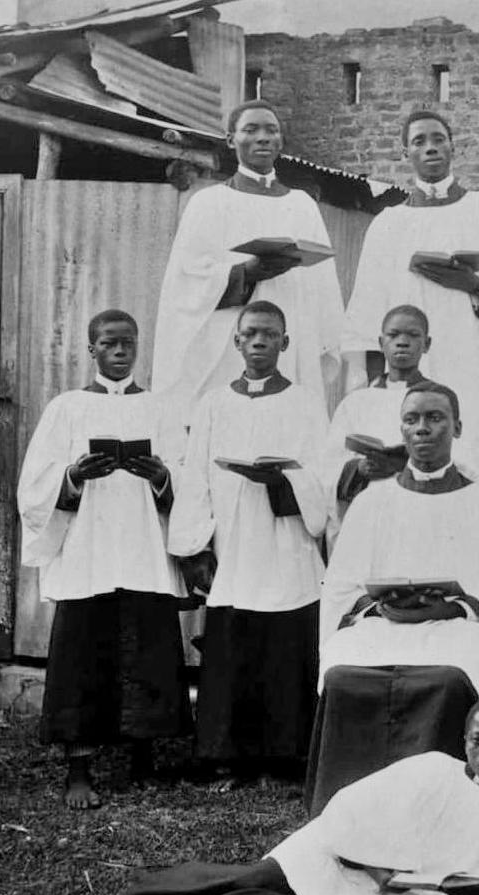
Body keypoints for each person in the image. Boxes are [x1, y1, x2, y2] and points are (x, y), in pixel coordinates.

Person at [120, 698, 479, 895]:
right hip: (352, 854)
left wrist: (466, 889)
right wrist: (370, 860)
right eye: (478, 739)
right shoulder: (434, 769)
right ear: (463, 742)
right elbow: (359, 804)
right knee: (270, 876)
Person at [311, 381, 479, 814]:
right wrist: (379, 605)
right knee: (341, 665)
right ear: (402, 430)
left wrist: (459, 604)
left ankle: (443, 797)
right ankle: (345, 798)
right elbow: (341, 585)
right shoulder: (374, 502)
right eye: (412, 419)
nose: (423, 429)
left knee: (455, 668)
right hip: (383, 622)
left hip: (456, 624)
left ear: (458, 427)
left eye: (435, 418)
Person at [17, 310, 191, 810]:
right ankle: (79, 769)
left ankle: (144, 758)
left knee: (148, 650)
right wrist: (73, 475)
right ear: (91, 349)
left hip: (142, 549)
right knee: (82, 656)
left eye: (128, 343)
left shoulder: (159, 407)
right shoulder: (67, 408)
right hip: (88, 552)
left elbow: (185, 476)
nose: (120, 351)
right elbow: (34, 487)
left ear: (138, 348)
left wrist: (161, 477)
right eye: (109, 343)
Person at [168, 300, 330, 788]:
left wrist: (285, 483)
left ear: (285, 343)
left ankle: (283, 761)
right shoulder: (215, 403)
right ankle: (227, 758)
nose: (259, 342)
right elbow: (196, 476)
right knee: (233, 650)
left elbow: (320, 475)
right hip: (234, 543)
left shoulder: (304, 402)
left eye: (270, 334)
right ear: (236, 342)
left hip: (285, 542)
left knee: (284, 649)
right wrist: (195, 549)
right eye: (250, 334)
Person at [344, 111, 479, 486]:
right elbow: (368, 309)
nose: (431, 147)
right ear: (405, 152)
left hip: (473, 362)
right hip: (408, 371)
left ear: (453, 145)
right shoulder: (388, 224)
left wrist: (475, 285)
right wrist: (376, 381)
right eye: (419, 141)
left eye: (438, 138)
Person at [151, 99, 343, 417]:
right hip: (228, 333)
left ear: (281, 141)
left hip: (290, 327)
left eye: (271, 130)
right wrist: (245, 272)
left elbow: (323, 284)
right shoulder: (209, 203)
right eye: (251, 130)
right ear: (231, 140)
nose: (263, 138)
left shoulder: (302, 205)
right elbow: (186, 279)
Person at [321, 304, 479, 533]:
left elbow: (474, 468)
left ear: (427, 344)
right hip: (371, 518)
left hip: (428, 515)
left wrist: (404, 464)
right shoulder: (355, 404)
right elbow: (327, 471)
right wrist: (360, 469)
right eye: (393, 335)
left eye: (413, 335)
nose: (402, 342)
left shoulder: (443, 401)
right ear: (381, 343)